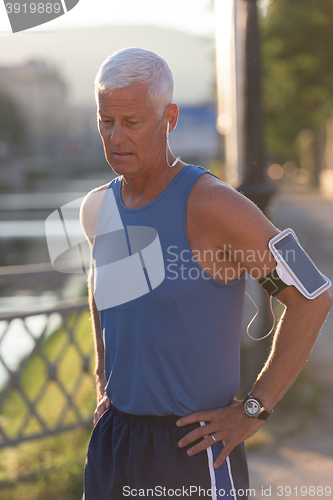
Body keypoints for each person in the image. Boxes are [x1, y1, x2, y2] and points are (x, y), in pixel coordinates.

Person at [80, 47, 332, 500]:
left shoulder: (215, 205)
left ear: (168, 117)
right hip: (114, 443)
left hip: (192, 452)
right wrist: (103, 379)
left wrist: (255, 408)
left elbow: (312, 295)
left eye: (132, 122)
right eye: (105, 121)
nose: (116, 137)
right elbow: (102, 293)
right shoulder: (98, 207)